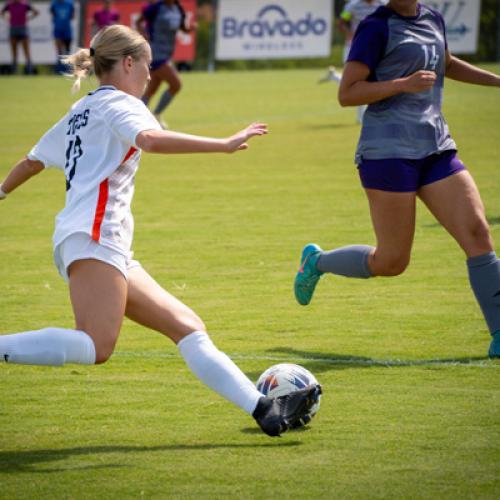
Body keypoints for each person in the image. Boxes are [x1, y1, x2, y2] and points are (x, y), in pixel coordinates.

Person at [0, 25, 320, 437]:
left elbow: (32, 161)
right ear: (128, 63)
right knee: (97, 345)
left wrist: (2, 191)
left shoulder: (83, 108)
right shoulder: (118, 103)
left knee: (186, 326)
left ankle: (265, 410)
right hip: (96, 235)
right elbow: (150, 140)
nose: (151, 75)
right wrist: (223, 145)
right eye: (148, 66)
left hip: (94, 238)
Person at [295, 1, 500, 358]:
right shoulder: (376, 26)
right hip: (387, 153)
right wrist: (401, 84)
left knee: (478, 234)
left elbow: (446, 64)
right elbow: (348, 93)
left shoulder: (433, 16)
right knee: (392, 261)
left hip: (436, 147)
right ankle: (317, 262)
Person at [319, 0, 386, 123]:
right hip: (355, 46)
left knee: (366, 81)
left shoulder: (382, 4)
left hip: (375, 46)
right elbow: (341, 22)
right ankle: (361, 117)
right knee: (356, 81)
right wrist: (349, 34)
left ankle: (334, 77)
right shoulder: (353, 5)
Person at [136, 0, 196, 129]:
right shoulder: (156, 8)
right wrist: (144, 34)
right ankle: (155, 115)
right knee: (176, 84)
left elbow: (182, 28)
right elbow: (138, 22)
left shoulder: (178, 8)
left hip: (167, 53)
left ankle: (136, 117)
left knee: (151, 90)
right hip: (155, 53)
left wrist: (190, 29)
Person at [1, 0, 39, 74]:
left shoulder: (25, 4)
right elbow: (2, 12)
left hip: (23, 29)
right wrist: (6, 18)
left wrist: (29, 18)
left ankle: (29, 70)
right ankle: (14, 71)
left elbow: (36, 12)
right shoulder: (9, 4)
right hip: (13, 29)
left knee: (26, 52)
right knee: (14, 52)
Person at [50, 0, 74, 73]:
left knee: (67, 50)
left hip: (67, 30)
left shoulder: (69, 3)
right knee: (59, 51)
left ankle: (68, 69)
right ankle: (59, 69)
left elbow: (72, 15)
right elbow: (53, 14)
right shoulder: (54, 3)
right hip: (58, 30)